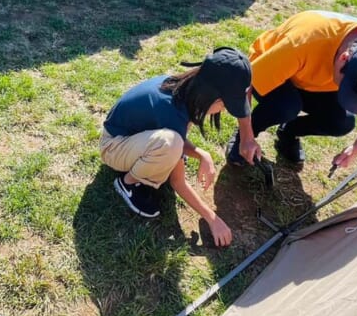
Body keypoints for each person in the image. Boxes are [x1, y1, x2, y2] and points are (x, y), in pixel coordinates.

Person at [101, 47, 253, 247]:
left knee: (172, 144)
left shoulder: (186, 90)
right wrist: (213, 219)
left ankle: (149, 163)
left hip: (132, 140)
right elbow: (177, 181)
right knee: (170, 145)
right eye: (224, 106)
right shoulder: (172, 110)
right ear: (212, 97)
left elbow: (177, 137)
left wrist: (202, 155)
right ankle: (128, 184)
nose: (223, 111)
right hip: (113, 147)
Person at [225, 10, 357, 172]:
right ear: (344, 58)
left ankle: (289, 132)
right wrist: (247, 135)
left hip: (316, 82)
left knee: (342, 121)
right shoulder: (303, 43)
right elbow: (244, 83)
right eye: (348, 88)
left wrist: (356, 149)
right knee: (286, 106)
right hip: (271, 68)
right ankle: (245, 135)